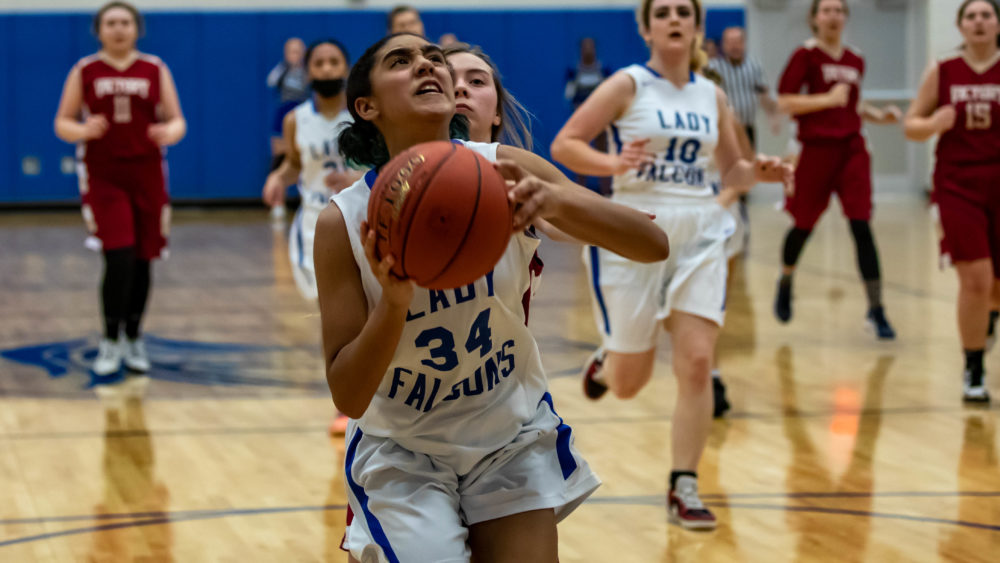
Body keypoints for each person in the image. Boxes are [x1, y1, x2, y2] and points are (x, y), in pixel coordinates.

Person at [318, 32, 668, 562]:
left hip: (508, 432)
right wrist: (393, 303)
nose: (426, 65)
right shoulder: (343, 220)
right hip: (403, 449)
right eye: (401, 60)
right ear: (366, 106)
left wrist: (555, 200)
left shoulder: (507, 169)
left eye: (433, 58)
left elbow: (652, 244)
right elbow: (348, 397)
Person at [550, 0, 792, 530]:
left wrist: (762, 170)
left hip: (701, 230)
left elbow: (732, 171)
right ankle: (608, 363)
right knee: (629, 382)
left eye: (684, 11)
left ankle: (684, 484)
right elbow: (565, 144)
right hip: (637, 226)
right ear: (645, 28)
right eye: (662, 12)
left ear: (698, 27)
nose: (675, 18)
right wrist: (613, 163)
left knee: (698, 361)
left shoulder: (712, 95)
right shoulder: (627, 84)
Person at [54, 1, 186, 377]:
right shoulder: (85, 69)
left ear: (137, 29)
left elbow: (178, 120)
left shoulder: (155, 68)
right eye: (110, 22)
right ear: (99, 30)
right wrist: (83, 130)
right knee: (119, 255)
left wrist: (169, 132)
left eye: (125, 22)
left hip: (147, 172)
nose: (118, 29)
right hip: (104, 175)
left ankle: (134, 336)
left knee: (144, 258)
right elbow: (62, 122)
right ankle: (110, 338)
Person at [773, 0, 902, 339]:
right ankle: (786, 278)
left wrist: (880, 116)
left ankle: (877, 309)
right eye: (826, 10)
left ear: (846, 17)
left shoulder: (855, 58)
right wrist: (825, 100)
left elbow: (852, 102)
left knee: (861, 225)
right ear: (814, 18)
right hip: (815, 151)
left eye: (839, 10)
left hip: (851, 151)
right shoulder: (805, 55)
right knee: (802, 226)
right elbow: (785, 101)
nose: (833, 16)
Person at [262, 39, 361, 434]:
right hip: (316, 227)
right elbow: (294, 164)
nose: (326, 68)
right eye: (319, 63)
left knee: (369, 310)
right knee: (335, 317)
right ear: (308, 71)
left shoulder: (362, 115)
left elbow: (385, 163)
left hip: (360, 219)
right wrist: (278, 177)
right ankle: (346, 402)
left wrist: (356, 178)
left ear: (346, 69)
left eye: (334, 61)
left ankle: (375, 396)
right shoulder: (296, 119)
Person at [904, 0, 1000, 403]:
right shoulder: (943, 69)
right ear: (960, 26)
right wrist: (932, 123)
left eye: (986, 15)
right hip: (958, 184)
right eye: (970, 16)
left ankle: (989, 316)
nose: (978, 22)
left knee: (994, 286)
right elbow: (911, 125)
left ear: (997, 25)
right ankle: (973, 368)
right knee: (975, 279)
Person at [266, 37, 310, 220]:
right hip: (284, 113)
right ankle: (278, 202)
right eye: (292, 51)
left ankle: (306, 200)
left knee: (305, 158)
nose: (295, 55)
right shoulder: (282, 70)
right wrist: (285, 66)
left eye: (298, 51)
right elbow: (270, 81)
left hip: (302, 114)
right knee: (279, 158)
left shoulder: (308, 71)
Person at [564, 37, 613, 195]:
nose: (588, 50)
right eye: (585, 47)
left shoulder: (603, 70)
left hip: (601, 119)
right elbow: (569, 95)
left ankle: (606, 192)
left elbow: (610, 96)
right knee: (580, 154)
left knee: (602, 154)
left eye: (591, 46)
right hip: (581, 120)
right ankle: (580, 192)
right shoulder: (574, 71)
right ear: (580, 50)